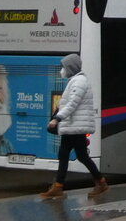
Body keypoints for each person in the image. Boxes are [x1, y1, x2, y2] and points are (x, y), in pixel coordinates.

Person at [40, 54, 108, 199]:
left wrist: (57, 118)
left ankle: (99, 183)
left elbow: (72, 103)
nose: (62, 70)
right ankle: (59, 186)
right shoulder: (75, 81)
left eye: (63, 67)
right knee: (68, 155)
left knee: (77, 156)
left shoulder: (79, 82)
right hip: (73, 126)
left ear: (70, 68)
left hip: (76, 126)